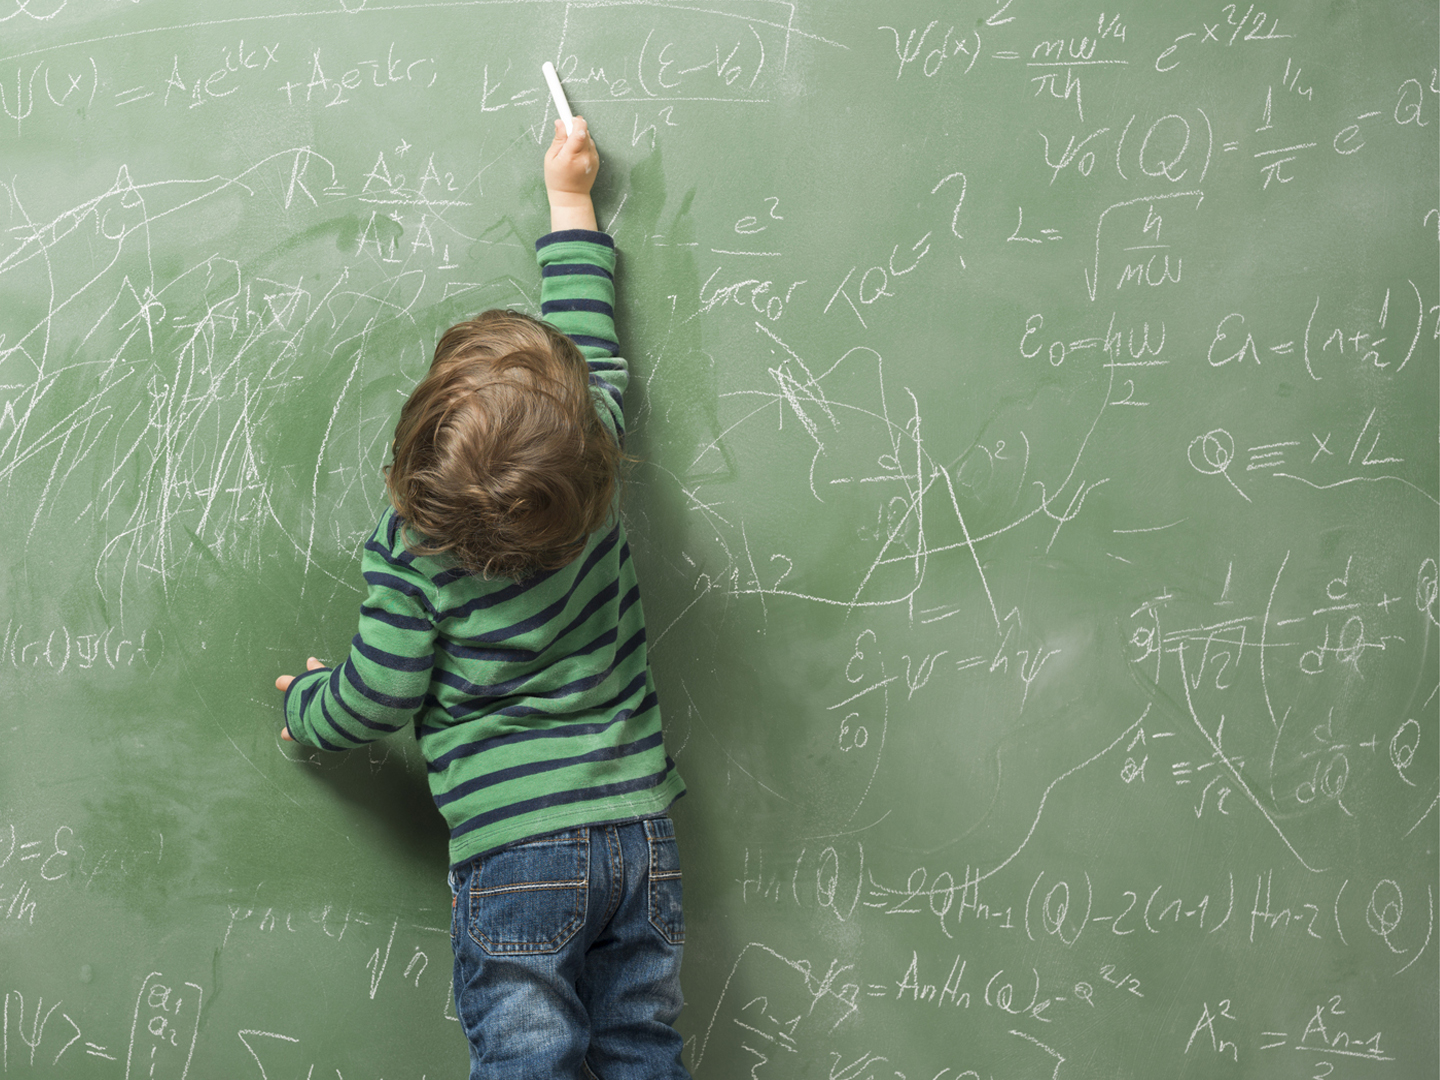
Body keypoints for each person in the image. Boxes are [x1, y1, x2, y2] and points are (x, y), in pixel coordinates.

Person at [275, 115, 691, 1080]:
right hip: (641, 835)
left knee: (528, 1059)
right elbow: (588, 334)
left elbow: (377, 695)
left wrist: (305, 711)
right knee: (642, 1051)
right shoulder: (595, 465)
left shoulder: (412, 553)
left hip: (518, 855)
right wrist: (571, 199)